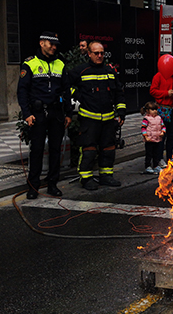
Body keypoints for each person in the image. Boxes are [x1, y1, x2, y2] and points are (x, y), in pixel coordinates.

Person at [17, 31, 72, 199]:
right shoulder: (30, 63)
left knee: (56, 149)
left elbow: (66, 90)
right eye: (51, 44)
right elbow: (22, 90)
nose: (54, 47)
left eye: (56, 45)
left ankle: (52, 184)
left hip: (56, 113)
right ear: (42, 43)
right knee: (37, 150)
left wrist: (68, 113)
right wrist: (27, 114)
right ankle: (33, 186)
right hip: (38, 114)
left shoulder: (60, 64)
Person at [68, 41, 126, 190]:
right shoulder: (81, 70)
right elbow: (65, 86)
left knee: (108, 149)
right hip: (89, 120)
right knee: (89, 150)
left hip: (108, 120)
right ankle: (86, 178)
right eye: (96, 53)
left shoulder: (110, 71)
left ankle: (106, 176)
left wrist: (121, 113)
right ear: (89, 54)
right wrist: (78, 95)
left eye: (102, 53)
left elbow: (119, 92)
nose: (100, 56)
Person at [150, 56, 173, 165]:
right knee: (161, 135)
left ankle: (169, 157)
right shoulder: (158, 76)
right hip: (163, 108)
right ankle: (159, 158)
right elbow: (152, 91)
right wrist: (166, 93)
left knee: (171, 135)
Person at [140, 101, 166, 175]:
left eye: (156, 109)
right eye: (153, 109)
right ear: (147, 111)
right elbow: (143, 128)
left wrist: (163, 132)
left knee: (156, 154)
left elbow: (163, 126)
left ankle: (156, 166)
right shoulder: (146, 119)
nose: (155, 111)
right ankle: (147, 166)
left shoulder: (159, 118)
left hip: (157, 139)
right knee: (149, 154)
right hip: (150, 139)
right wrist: (145, 136)